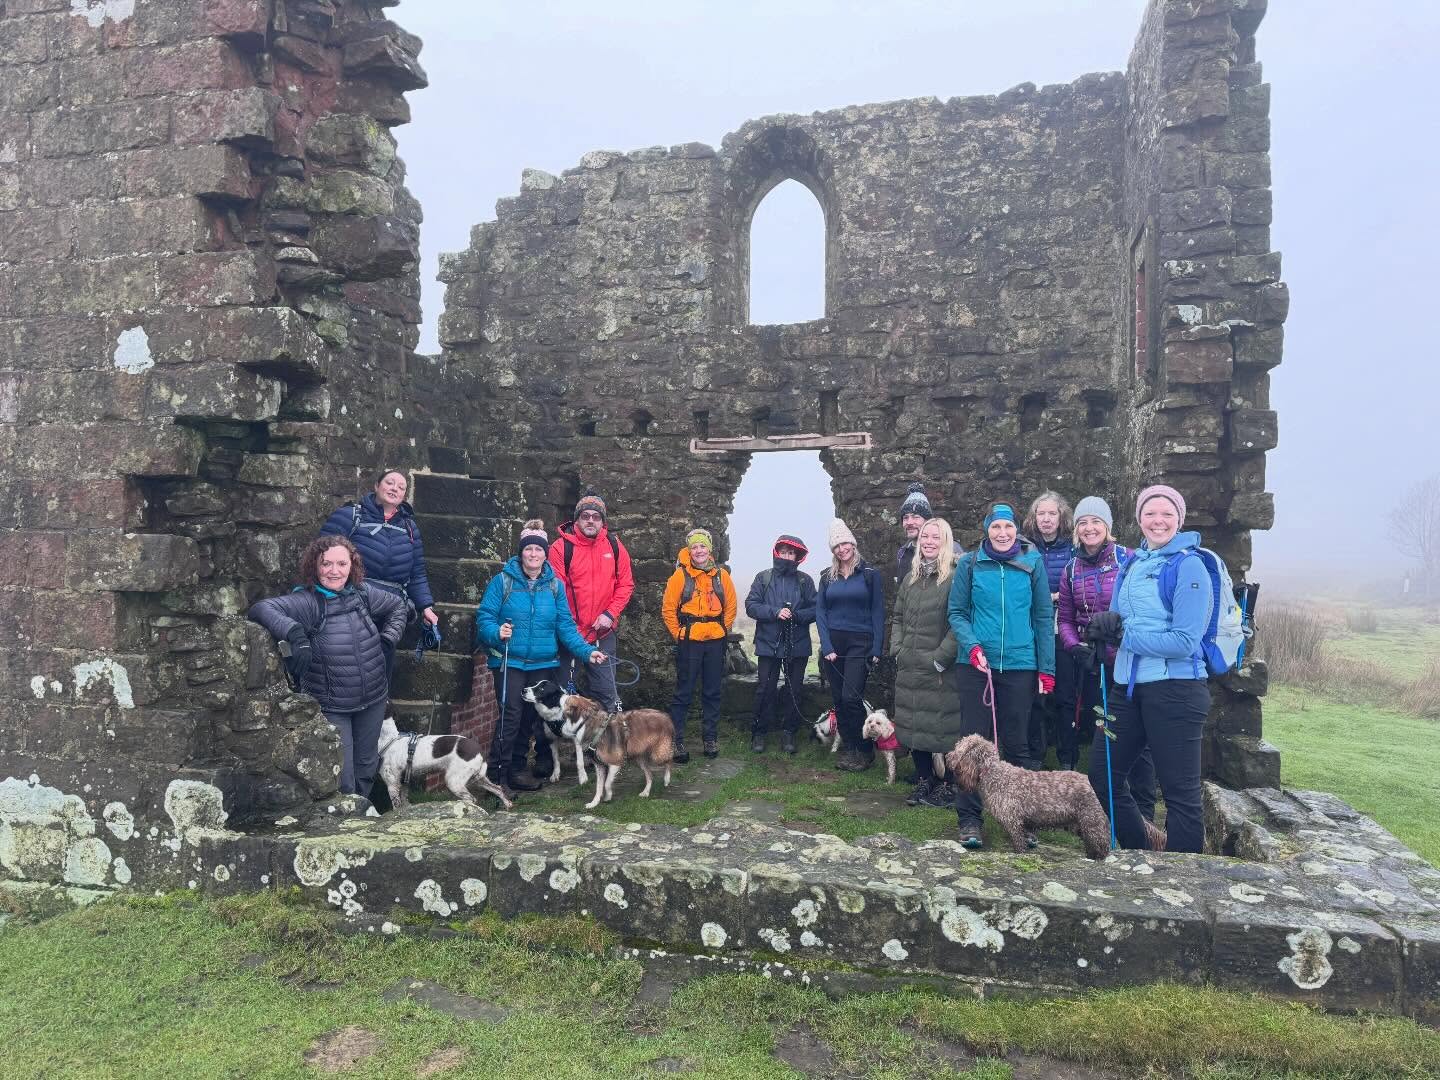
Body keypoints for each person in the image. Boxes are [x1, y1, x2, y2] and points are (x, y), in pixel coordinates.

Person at [1086, 485, 1211, 854]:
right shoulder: (1134, 563)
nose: (1158, 521)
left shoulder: (1190, 565)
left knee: (1179, 792)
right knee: (1103, 776)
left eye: (1167, 514)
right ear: (1139, 518)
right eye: (1150, 513)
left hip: (1177, 689)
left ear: (1179, 520)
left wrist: (1123, 635)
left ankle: (1184, 880)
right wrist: (1103, 628)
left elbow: (1185, 641)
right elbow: (1121, 620)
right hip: (1127, 688)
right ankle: (1142, 855)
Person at [249, 536, 409, 798]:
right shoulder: (308, 602)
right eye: (327, 564)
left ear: (351, 566)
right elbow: (261, 608)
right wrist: (295, 633)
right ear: (315, 567)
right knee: (343, 777)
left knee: (366, 767)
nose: (335, 571)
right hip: (334, 705)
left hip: (373, 697)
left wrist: (389, 639)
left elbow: (397, 606)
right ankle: (345, 825)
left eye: (342, 564)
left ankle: (364, 822)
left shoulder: (362, 593)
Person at [946, 503, 1055, 848]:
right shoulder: (969, 563)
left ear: (1016, 529)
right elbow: (957, 613)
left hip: (1021, 664)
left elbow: (1042, 617)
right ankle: (970, 821)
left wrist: (1047, 669)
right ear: (987, 530)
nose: (1003, 533)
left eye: (1008, 526)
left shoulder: (1032, 563)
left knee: (1017, 744)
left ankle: (1024, 820)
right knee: (973, 745)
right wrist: (973, 646)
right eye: (996, 527)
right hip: (976, 666)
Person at [475, 520, 606, 794]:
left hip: (544, 663)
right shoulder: (502, 582)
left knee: (529, 720)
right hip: (509, 660)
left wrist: (587, 651)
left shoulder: (555, 586)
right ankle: (497, 776)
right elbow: (484, 617)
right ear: (521, 552)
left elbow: (565, 627)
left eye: (538, 550)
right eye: (529, 549)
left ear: (546, 554)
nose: (533, 554)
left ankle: (518, 770)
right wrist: (497, 631)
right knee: (510, 716)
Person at [1056, 497, 1157, 821]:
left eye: (1095, 522)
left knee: (1137, 738)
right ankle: (1111, 806)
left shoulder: (1129, 560)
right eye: (1083, 523)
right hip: (1093, 664)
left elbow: (1143, 608)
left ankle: (1143, 811)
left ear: (1107, 527)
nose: (1089, 528)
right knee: (1105, 731)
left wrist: (1119, 638)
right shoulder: (1071, 569)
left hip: (1129, 664)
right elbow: (1066, 619)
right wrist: (1075, 648)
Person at [319, 470, 438, 680]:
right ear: (376, 486)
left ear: (404, 496)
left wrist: (426, 607)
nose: (395, 489)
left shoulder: (410, 528)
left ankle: (377, 709)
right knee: (347, 664)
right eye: (390, 483)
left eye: (401, 487)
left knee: (381, 666)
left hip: (391, 609)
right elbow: (322, 555)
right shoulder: (350, 516)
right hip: (352, 600)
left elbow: (417, 571)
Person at [890, 518, 965, 808]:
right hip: (909, 664)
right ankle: (924, 780)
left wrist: (939, 659)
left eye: (936, 537)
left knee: (944, 727)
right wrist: (897, 649)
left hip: (939, 669)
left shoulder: (955, 576)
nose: (929, 541)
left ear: (945, 541)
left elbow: (959, 622)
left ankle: (948, 784)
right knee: (914, 724)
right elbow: (897, 617)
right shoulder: (910, 579)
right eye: (925, 537)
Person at [549, 490, 634, 711]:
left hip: (602, 633)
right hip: (570, 634)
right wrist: (570, 629)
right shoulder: (560, 548)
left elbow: (625, 584)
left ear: (602, 522)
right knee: (562, 696)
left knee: (607, 694)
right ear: (577, 519)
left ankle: (606, 744)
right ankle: (560, 744)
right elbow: (556, 591)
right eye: (585, 516)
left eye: (596, 517)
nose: (590, 520)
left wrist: (610, 614)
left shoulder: (615, 547)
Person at [815, 519, 885, 771]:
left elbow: (878, 611)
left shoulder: (869, 575)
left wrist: (876, 648)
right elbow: (820, 613)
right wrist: (827, 645)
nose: (842, 549)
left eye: (845, 543)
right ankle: (850, 749)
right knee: (839, 699)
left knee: (851, 697)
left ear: (853, 544)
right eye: (836, 546)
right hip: (834, 645)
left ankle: (865, 750)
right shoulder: (826, 577)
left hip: (860, 643)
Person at [662, 528, 737, 762]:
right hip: (690, 641)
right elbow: (668, 609)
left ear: (710, 549)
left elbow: (731, 606)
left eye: (703, 546)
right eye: (695, 547)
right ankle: (677, 741)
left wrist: (721, 630)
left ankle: (710, 738)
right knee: (683, 692)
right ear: (689, 550)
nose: (699, 550)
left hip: (715, 640)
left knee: (713, 691)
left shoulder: (721, 575)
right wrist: (680, 634)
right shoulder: (679, 576)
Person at [745, 534, 817, 754]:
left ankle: (789, 732)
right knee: (765, 688)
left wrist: (796, 615)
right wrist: (775, 612)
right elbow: (751, 605)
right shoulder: (763, 578)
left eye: (791, 552)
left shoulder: (805, 581)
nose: (787, 556)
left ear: (797, 555)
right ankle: (759, 732)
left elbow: (816, 609)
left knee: (794, 689)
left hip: (798, 642)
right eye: (783, 551)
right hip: (769, 643)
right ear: (777, 552)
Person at [1022, 491, 1074, 770]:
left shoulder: (1072, 548)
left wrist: (1055, 597)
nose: (1046, 519)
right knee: (1037, 696)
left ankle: (1068, 759)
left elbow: (1077, 586)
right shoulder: (1025, 548)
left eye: (1051, 513)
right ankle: (1035, 757)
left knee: (1065, 696)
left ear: (1061, 516)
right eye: (1041, 513)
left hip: (1063, 627)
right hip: (1033, 628)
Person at [895, 482, 964, 583]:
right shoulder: (902, 553)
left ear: (928, 521)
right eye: (905, 518)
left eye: (915, 517)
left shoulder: (951, 548)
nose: (909, 522)